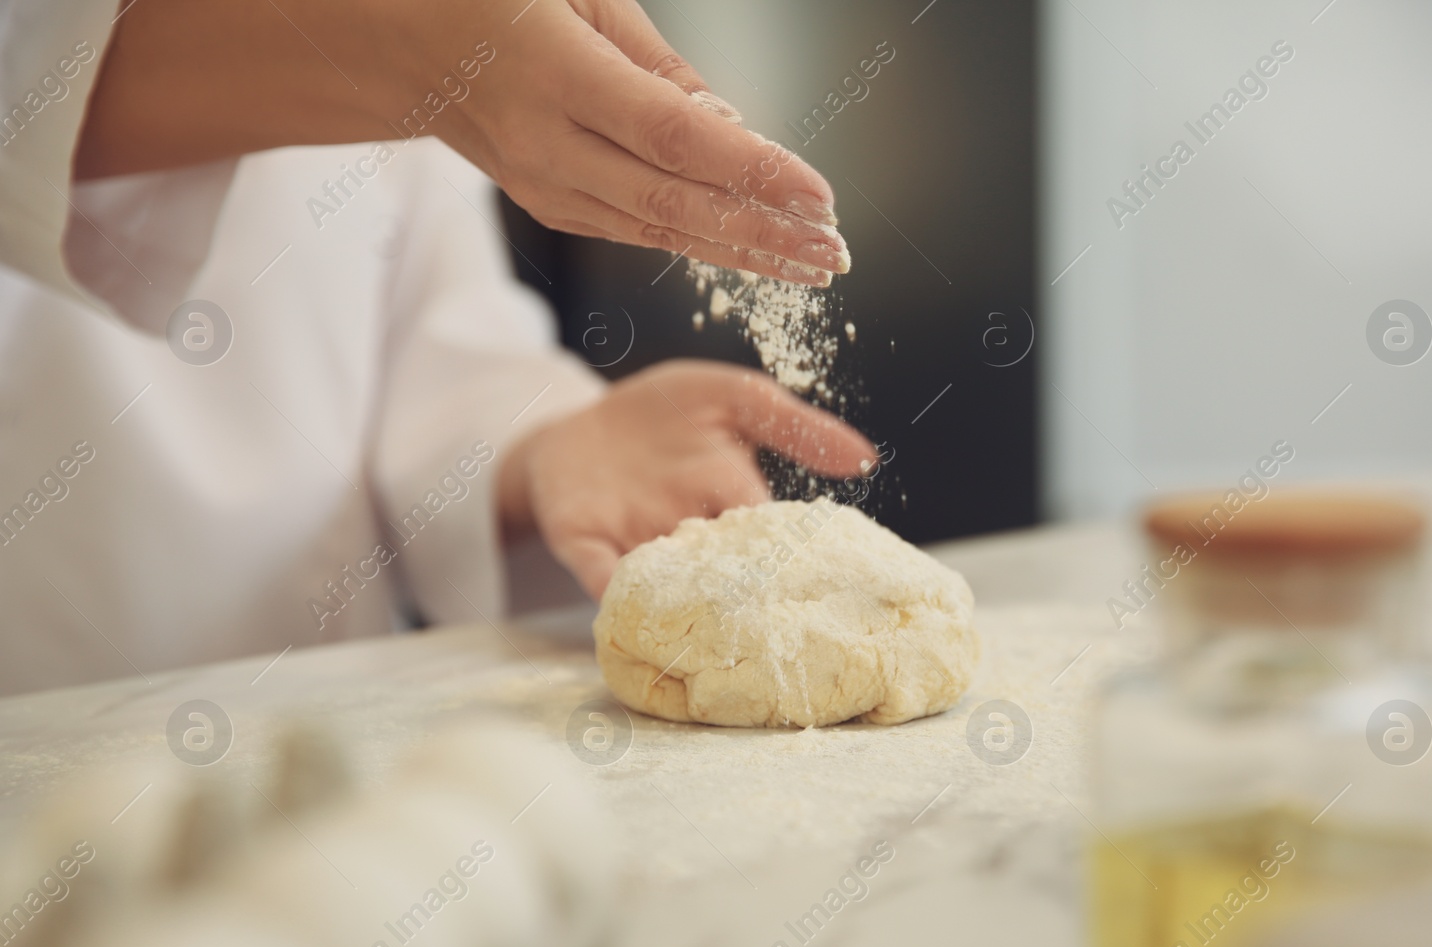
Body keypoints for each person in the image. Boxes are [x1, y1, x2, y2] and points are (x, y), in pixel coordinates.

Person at [0, 0, 873, 696]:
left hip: (330, 740)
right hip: (48, 723)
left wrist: (551, 446)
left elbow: (440, 347)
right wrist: (389, 48)